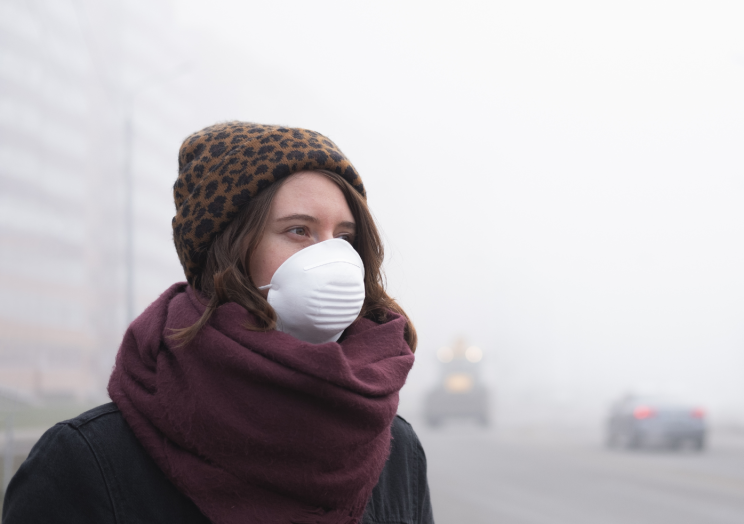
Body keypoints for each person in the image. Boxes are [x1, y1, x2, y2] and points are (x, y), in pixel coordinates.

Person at [2, 122, 433, 524]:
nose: (334, 260)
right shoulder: (86, 462)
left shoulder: (396, 450)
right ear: (226, 250)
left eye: (344, 237)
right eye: (298, 230)